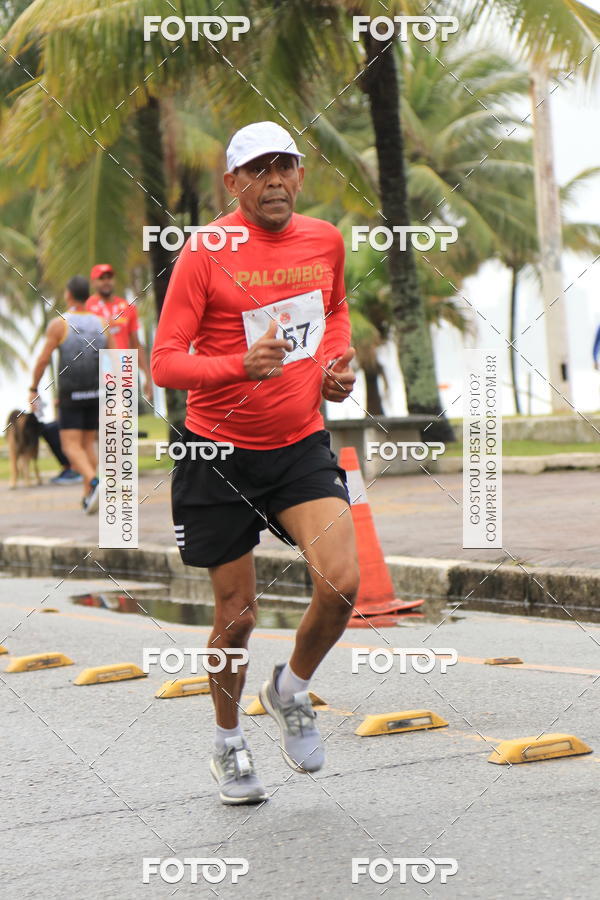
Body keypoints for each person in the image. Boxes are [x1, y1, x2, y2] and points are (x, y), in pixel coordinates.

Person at [152, 121, 360, 806]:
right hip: (218, 453)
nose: (275, 180)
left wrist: (334, 365)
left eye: (286, 166)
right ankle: (227, 742)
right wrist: (235, 367)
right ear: (233, 182)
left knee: (344, 583)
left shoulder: (323, 240)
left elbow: (333, 312)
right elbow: (165, 361)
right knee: (236, 616)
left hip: (299, 442)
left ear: (300, 175)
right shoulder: (205, 252)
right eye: (259, 169)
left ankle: (290, 689)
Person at [29, 275, 115, 513]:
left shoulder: (60, 324)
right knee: (87, 444)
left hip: (71, 395)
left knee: (69, 447)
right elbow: (115, 360)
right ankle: (89, 495)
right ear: (88, 295)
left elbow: (43, 359)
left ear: (68, 295)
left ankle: (96, 482)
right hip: (96, 393)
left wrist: (33, 388)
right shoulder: (102, 323)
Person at [86, 263, 153, 402]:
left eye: (109, 277)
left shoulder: (128, 307)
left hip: (124, 369)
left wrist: (147, 375)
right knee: (103, 421)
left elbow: (136, 344)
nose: (106, 281)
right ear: (93, 282)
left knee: (124, 420)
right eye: (101, 278)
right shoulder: (87, 308)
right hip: (98, 371)